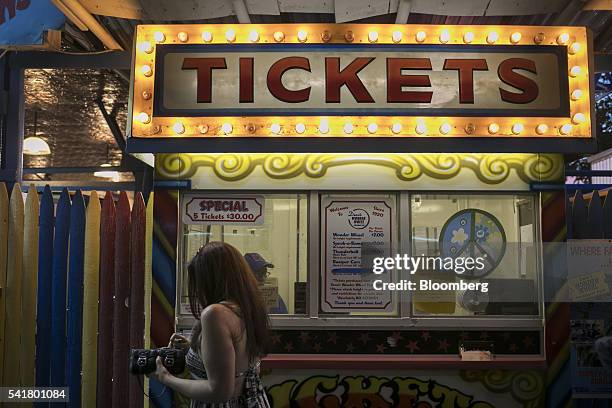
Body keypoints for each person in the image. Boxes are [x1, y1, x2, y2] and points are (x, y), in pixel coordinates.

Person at [148, 241, 271, 407]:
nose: (197, 290)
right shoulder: (249, 308)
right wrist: (196, 348)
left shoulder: (215, 314)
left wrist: (166, 378)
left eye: (198, 281)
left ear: (209, 280)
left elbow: (219, 391)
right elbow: (236, 362)